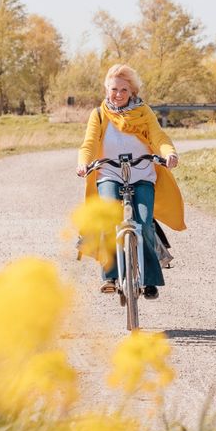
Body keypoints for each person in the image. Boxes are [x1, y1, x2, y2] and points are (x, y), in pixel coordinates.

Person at [76, 64, 185, 299]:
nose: (118, 94)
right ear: (107, 89)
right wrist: (84, 162)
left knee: (144, 223)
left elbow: (158, 136)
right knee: (109, 218)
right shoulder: (99, 114)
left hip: (142, 172)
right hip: (110, 173)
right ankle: (111, 276)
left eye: (123, 90)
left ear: (132, 91)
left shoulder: (143, 112)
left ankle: (149, 279)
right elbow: (90, 143)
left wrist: (169, 153)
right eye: (113, 89)